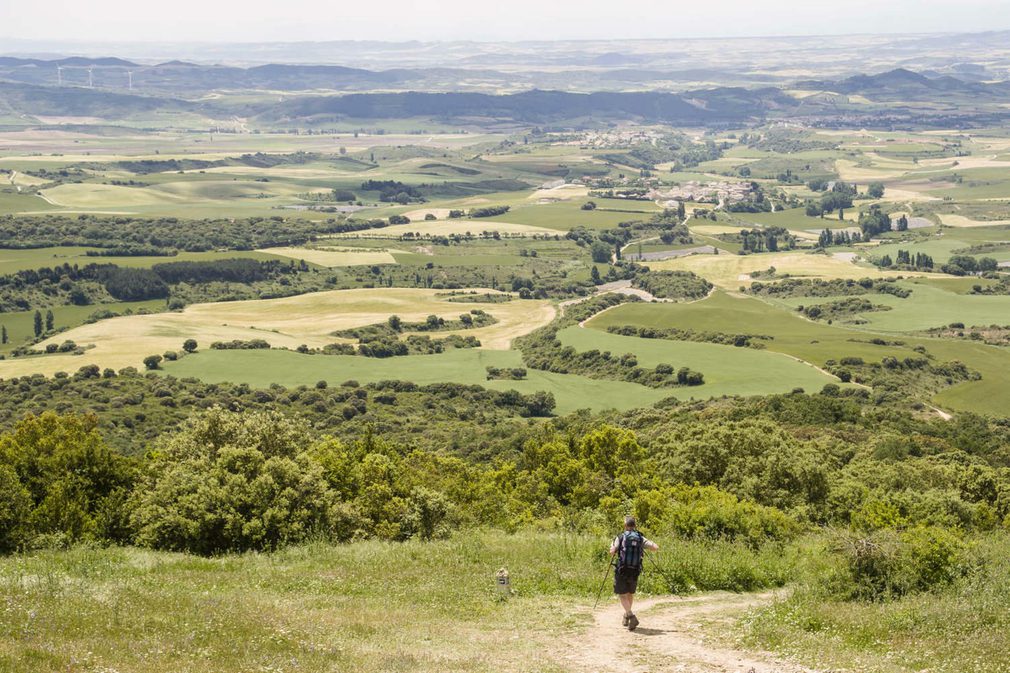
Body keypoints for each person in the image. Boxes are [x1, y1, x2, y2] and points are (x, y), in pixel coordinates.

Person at [609, 515, 659, 630]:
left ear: (625, 525)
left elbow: (612, 551)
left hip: (622, 570)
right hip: (635, 570)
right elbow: (655, 547)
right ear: (635, 526)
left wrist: (614, 548)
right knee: (630, 594)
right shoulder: (640, 537)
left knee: (622, 594)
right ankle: (626, 616)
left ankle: (631, 616)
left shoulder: (621, 537)